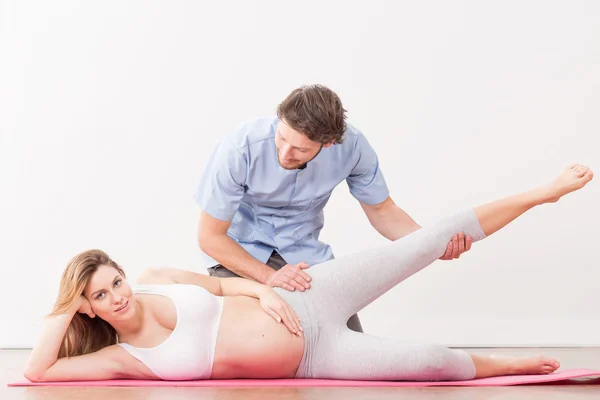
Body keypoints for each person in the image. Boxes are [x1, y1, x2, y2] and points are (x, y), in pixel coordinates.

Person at [24, 164, 592, 382]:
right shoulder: (125, 360)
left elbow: (221, 282)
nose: (117, 295)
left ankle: (542, 193)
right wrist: (63, 305)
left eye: (113, 281)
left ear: (124, 274)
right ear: (88, 307)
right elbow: (39, 372)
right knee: (429, 365)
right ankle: (510, 364)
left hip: (307, 297)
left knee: (423, 243)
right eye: (99, 295)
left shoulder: (155, 276)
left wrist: (265, 289)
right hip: (312, 355)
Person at [195, 84, 473, 334]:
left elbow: (383, 212)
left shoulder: (352, 148)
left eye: (300, 149)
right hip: (240, 258)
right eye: (281, 138)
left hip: (304, 259)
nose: (284, 153)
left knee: (346, 342)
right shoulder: (240, 147)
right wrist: (270, 277)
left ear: (328, 143)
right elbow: (210, 237)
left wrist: (431, 243)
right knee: (262, 345)